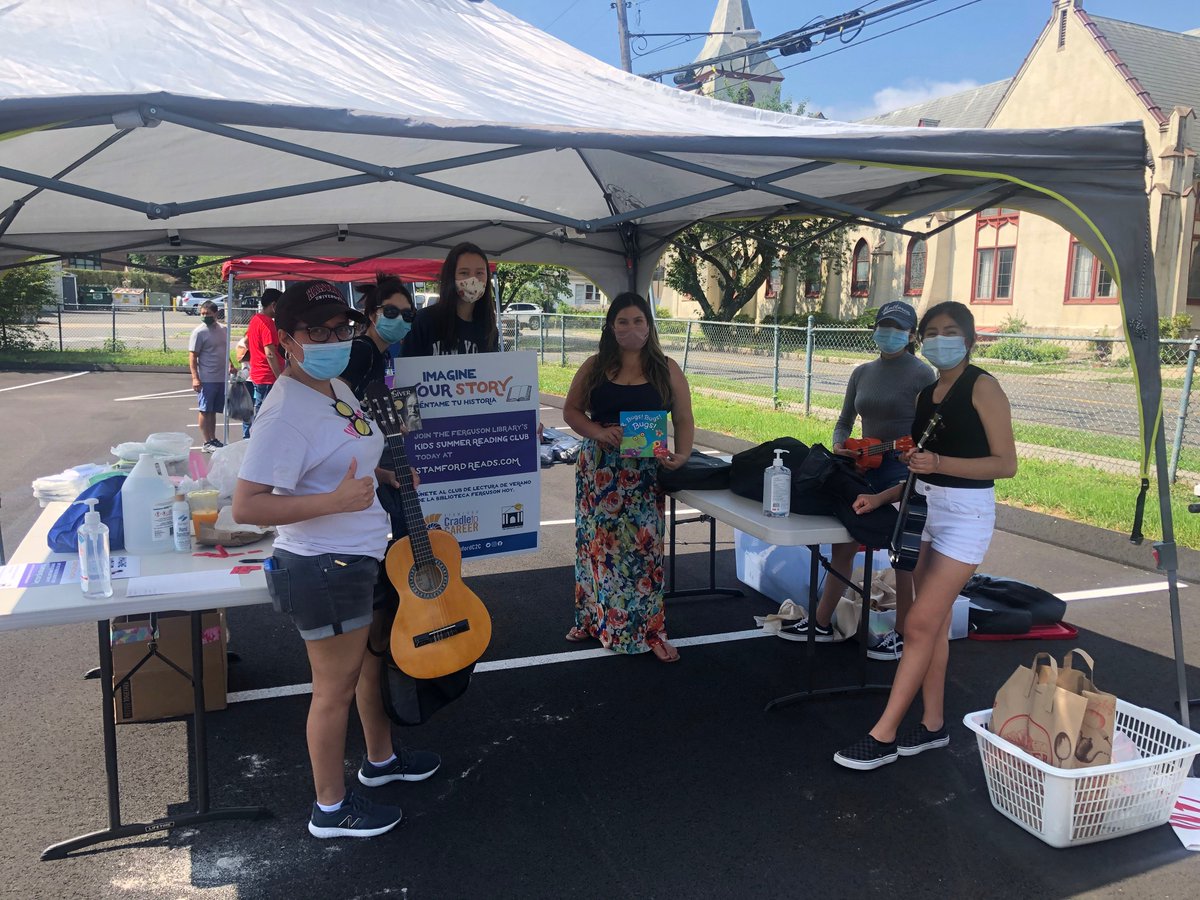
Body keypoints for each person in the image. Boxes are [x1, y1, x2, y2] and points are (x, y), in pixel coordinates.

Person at [233, 281, 439, 839]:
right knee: (333, 690)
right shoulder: (285, 412)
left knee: (369, 665)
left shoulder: (333, 385)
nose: (333, 338)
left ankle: (380, 761)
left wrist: (384, 475)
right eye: (316, 331)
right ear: (286, 339)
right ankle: (330, 809)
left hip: (357, 558)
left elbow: (344, 456)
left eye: (341, 328)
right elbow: (247, 505)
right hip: (324, 565)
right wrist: (334, 502)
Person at [833, 300, 1017, 770]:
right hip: (925, 511)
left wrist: (940, 465)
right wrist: (882, 497)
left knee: (915, 625)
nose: (940, 339)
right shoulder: (928, 393)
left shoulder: (984, 388)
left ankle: (884, 734)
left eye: (950, 331)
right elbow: (920, 468)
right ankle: (933, 724)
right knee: (927, 626)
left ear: (971, 339)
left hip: (966, 518)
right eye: (932, 331)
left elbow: (1005, 464)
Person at [781, 301, 935, 660]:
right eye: (884, 325)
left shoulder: (923, 375)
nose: (889, 333)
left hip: (901, 470)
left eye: (898, 328)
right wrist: (841, 446)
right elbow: (844, 420)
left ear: (911, 335)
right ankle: (820, 622)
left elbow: (928, 431)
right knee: (845, 544)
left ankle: (903, 635)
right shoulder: (862, 372)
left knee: (902, 552)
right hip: (863, 468)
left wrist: (911, 454)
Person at [561, 292, 694, 662]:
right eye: (623, 321)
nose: (631, 328)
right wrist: (597, 432)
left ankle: (649, 630)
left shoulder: (666, 368)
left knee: (643, 552)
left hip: (645, 476)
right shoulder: (594, 366)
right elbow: (571, 411)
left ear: (649, 326)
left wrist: (681, 454)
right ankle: (590, 619)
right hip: (599, 470)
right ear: (610, 326)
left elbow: (683, 417)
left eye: (638, 321)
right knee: (596, 548)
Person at [401, 242, 499, 356]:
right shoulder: (423, 321)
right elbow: (407, 370)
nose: (473, 279)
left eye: (479, 273)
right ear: (451, 276)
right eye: (464, 273)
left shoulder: (488, 329)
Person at [340, 275, 416, 398]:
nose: (400, 319)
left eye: (407, 314)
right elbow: (337, 399)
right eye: (391, 311)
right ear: (372, 314)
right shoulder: (361, 350)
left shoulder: (380, 353)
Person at [188, 300, 233, 452]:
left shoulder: (223, 329)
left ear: (216, 313)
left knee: (213, 410)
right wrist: (195, 377)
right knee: (205, 410)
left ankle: (212, 439)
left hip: (221, 377)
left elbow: (224, 350)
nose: (204, 316)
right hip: (207, 378)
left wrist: (230, 364)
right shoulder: (199, 332)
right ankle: (206, 442)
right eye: (202, 313)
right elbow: (193, 356)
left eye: (207, 313)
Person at [242, 288, 284, 439]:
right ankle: (257, 439)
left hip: (258, 373)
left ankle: (252, 437)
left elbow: (246, 341)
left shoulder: (255, 319)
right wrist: (280, 376)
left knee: (260, 408)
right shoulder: (268, 324)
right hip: (268, 375)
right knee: (265, 412)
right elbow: (270, 352)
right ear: (274, 305)